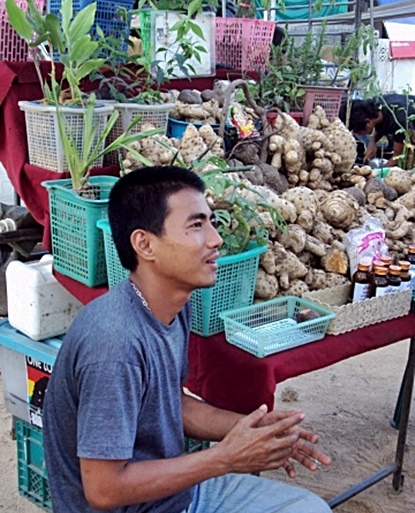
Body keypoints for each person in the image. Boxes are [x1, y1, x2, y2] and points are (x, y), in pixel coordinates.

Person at [43, 165, 332, 513]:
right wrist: (224, 459)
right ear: (145, 244)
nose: (215, 239)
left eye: (210, 222)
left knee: (309, 508)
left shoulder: (173, 304)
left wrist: (250, 430)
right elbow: (103, 490)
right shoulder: (114, 342)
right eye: (196, 225)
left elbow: (172, 404)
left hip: (174, 496)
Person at [340, 93, 415, 167]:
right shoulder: (377, 105)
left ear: (368, 123)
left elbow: (398, 157)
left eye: (357, 131)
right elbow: (381, 122)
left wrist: (377, 173)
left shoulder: (399, 120)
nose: (359, 134)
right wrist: (373, 141)